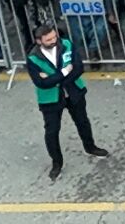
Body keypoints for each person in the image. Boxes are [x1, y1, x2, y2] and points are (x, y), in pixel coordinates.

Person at [25, 22, 104, 176]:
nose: (54, 41)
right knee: (52, 131)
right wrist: (64, 73)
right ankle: (57, 162)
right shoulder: (33, 58)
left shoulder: (67, 44)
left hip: (74, 91)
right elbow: (41, 83)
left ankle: (90, 147)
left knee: (83, 121)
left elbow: (78, 67)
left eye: (55, 37)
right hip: (50, 99)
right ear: (39, 41)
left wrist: (56, 79)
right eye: (48, 40)